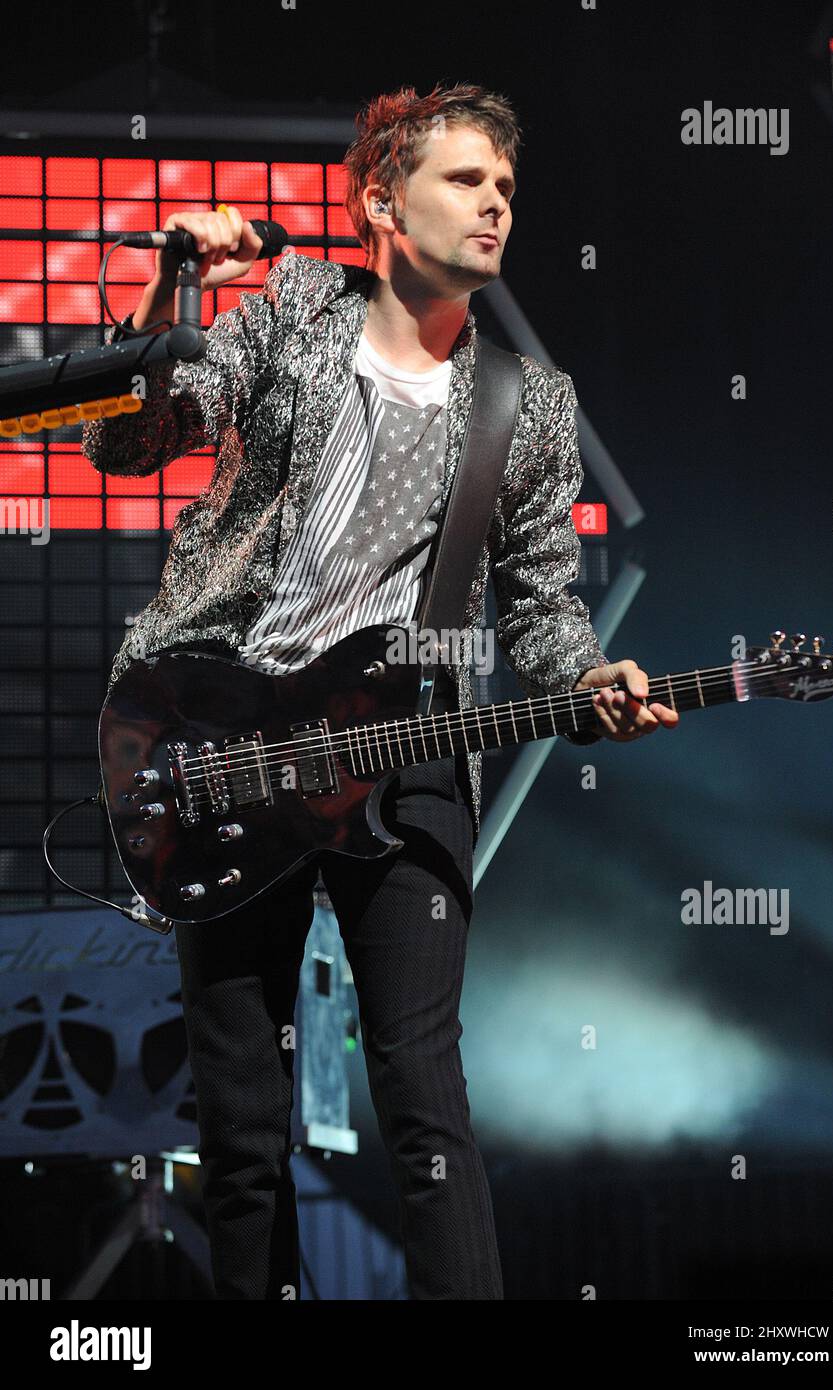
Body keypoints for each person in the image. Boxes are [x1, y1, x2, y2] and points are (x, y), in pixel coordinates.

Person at [81, 81, 678, 1301]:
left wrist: (586, 677)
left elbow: (546, 606)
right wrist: (169, 282)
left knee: (425, 1101)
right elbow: (124, 443)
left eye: (506, 186)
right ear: (380, 205)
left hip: (406, 759)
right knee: (242, 1128)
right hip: (221, 744)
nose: (495, 203)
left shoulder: (529, 402)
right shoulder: (291, 318)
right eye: (467, 180)